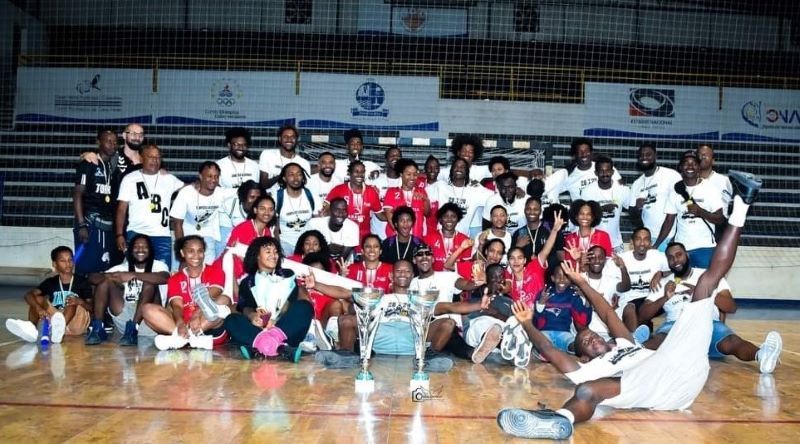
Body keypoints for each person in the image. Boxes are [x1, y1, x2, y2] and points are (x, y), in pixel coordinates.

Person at [496, 170, 782, 440]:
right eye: (586, 341)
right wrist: (526, 323)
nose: (592, 337)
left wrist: (579, 280)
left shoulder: (625, 344)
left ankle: (743, 204)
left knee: (706, 283)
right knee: (587, 390)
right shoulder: (591, 368)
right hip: (652, 389)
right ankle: (560, 420)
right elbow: (546, 348)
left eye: (590, 335)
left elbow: (606, 311)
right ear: (583, 355)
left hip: (679, 368)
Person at [639, 241, 781, 371]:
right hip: (675, 324)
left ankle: (762, 355)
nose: (675, 260)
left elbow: (731, 307)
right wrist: (664, 297)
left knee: (730, 342)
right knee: (660, 340)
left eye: (679, 255)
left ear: (687, 255)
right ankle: (630, 354)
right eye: (671, 257)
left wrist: (704, 292)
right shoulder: (662, 282)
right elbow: (643, 315)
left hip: (707, 323)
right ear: (667, 261)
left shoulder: (709, 277)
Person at [222, 237, 315, 362]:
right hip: (258, 330)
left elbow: (289, 302)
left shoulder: (287, 275)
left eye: (276, 252)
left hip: (284, 330)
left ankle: (260, 349)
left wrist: (275, 321)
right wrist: (253, 316)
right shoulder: (247, 282)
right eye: (268, 251)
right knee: (231, 319)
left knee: (304, 307)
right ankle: (280, 350)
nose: (273, 255)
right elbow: (244, 307)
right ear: (257, 256)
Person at [141, 236, 233, 351]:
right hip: (183, 326)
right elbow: (177, 305)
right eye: (191, 251)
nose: (196, 255)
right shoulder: (175, 279)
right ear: (182, 253)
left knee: (223, 301)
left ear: (204, 253)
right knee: (147, 309)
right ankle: (186, 337)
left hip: (209, 326)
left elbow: (214, 294)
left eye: (200, 251)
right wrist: (180, 324)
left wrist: (196, 315)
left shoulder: (216, 271)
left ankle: (181, 339)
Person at [409, 244, 489, 362]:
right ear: (414, 260)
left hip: (451, 327)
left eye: (428, 254)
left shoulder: (447, 276)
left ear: (433, 258)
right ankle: (471, 352)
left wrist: (478, 282)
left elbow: (465, 284)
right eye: (420, 254)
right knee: (447, 320)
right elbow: (442, 308)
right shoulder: (413, 283)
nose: (424, 257)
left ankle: (471, 353)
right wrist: (478, 305)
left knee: (451, 328)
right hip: (425, 329)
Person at [87, 234, 169, 345]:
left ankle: (133, 329)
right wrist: (114, 278)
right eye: (136, 246)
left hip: (150, 321)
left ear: (150, 250)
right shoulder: (122, 268)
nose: (140, 249)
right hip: (125, 322)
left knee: (150, 283)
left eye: (145, 246)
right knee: (105, 282)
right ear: (130, 250)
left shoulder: (159, 265)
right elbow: (92, 278)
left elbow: (165, 278)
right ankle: (98, 329)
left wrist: (132, 275)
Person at [115, 143, 185, 268]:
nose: (155, 160)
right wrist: (119, 234)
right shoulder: (130, 179)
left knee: (162, 274)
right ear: (142, 158)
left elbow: (187, 189)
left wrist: (199, 184)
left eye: (158, 157)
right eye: (151, 157)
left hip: (162, 236)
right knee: (136, 274)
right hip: (136, 232)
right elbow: (121, 209)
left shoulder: (169, 178)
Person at [5, 246, 92, 345]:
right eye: (63, 261)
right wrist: (38, 308)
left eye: (70, 260)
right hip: (56, 323)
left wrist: (80, 301)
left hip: (77, 323)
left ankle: (60, 328)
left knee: (71, 301)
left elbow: (92, 308)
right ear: (55, 264)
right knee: (36, 299)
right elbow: (28, 295)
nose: (68, 264)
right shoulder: (50, 282)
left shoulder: (82, 281)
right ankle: (32, 330)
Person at [654, 152, 725, 269]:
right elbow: (669, 220)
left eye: (694, 164)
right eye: (686, 163)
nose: (690, 166)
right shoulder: (675, 191)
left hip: (705, 247)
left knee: (705, 283)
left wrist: (701, 212)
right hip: (682, 249)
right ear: (681, 167)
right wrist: (656, 244)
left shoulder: (710, 189)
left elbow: (720, 219)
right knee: (682, 284)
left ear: (699, 167)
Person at [171, 161, 236, 265]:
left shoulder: (221, 192)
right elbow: (177, 224)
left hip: (207, 238)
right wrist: (181, 249)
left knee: (208, 272)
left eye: (216, 176)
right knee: (178, 273)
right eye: (209, 176)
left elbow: (244, 190)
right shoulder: (187, 192)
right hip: (185, 237)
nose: (213, 180)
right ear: (200, 176)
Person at [73, 127, 118, 275]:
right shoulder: (88, 164)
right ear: (98, 142)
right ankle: (79, 295)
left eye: (115, 142)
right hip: (89, 222)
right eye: (108, 142)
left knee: (103, 265)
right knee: (84, 264)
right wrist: (81, 224)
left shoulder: (112, 166)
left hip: (106, 224)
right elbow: (78, 194)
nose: (112, 145)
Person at [506, 209, 565, 308]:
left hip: (540, 314)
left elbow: (546, 250)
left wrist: (554, 230)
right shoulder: (507, 275)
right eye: (512, 258)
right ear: (508, 262)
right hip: (519, 316)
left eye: (520, 258)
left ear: (525, 260)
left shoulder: (534, 267)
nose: (516, 261)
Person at [627, 143, 681, 249]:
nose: (644, 157)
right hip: (647, 238)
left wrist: (657, 244)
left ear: (655, 156)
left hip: (668, 237)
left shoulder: (671, 175)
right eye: (641, 155)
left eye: (648, 154)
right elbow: (632, 214)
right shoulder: (637, 183)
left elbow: (675, 211)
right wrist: (637, 208)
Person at [617, 227, 669, 331]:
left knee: (643, 311)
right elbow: (618, 286)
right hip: (630, 299)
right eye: (638, 239)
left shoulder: (657, 256)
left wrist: (660, 273)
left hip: (652, 298)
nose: (642, 243)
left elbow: (675, 268)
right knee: (630, 308)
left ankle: (635, 340)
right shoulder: (622, 258)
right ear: (632, 242)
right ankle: (637, 339)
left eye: (646, 239)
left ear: (650, 242)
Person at [427, 156, 492, 236]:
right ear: (451, 170)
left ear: (466, 172)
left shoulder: (475, 191)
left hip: (463, 240)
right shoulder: (441, 186)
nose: (458, 169)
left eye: (462, 167)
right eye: (456, 167)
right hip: (441, 237)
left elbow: (494, 198)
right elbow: (422, 194)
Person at [580, 155, 631, 253]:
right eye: (601, 171)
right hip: (593, 242)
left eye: (607, 170)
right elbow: (583, 216)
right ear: (596, 173)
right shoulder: (587, 191)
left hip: (615, 243)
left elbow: (633, 209)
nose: (604, 174)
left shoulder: (623, 190)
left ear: (612, 172)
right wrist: (602, 208)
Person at [325, 160, 384, 243]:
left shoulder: (371, 191)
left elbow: (380, 215)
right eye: (356, 172)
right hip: (342, 237)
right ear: (349, 173)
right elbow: (326, 207)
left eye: (362, 172)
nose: (360, 174)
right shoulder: (338, 189)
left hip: (363, 238)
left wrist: (394, 215)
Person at [274, 162, 322, 253]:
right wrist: (279, 249)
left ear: (303, 177)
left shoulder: (312, 196)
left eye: (299, 174)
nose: (296, 178)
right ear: (284, 178)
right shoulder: (277, 197)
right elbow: (275, 229)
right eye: (291, 175)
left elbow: (317, 225)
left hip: (307, 246)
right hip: (285, 244)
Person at [383, 158, 431, 239]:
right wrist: (403, 237)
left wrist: (426, 200)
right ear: (401, 174)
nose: (412, 177)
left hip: (416, 238)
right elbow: (390, 217)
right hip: (396, 238)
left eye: (415, 174)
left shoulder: (421, 192)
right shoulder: (391, 192)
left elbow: (427, 213)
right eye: (408, 174)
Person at [512, 196, 564, 263]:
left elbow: (560, 255)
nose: (532, 212)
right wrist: (518, 246)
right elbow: (511, 258)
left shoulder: (552, 228)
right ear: (524, 211)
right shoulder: (519, 233)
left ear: (540, 212)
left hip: (549, 271)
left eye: (535, 209)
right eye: (528, 209)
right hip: (526, 271)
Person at [563, 199, 612, 270]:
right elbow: (568, 265)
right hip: (577, 277)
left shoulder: (603, 236)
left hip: (598, 277)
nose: (585, 217)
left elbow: (608, 261)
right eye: (581, 214)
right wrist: (579, 261)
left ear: (593, 217)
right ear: (576, 216)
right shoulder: (569, 239)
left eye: (589, 214)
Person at [259, 124, 311, 190]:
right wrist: (282, 175)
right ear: (280, 139)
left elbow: (304, 188)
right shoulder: (268, 155)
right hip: (271, 198)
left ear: (296, 140)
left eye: (292, 137)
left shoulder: (304, 163)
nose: (289, 139)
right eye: (285, 137)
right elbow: (263, 185)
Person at [307, 197, 360, 262]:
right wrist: (326, 247)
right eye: (337, 210)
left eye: (344, 210)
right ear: (330, 211)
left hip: (344, 265)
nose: (341, 213)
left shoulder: (352, 227)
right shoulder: (315, 224)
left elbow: (342, 259)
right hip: (319, 261)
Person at [424, 203, 472, 272]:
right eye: (445, 216)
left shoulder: (465, 240)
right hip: (434, 278)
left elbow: (465, 267)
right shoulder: (429, 238)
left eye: (453, 216)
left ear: (458, 219)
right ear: (440, 219)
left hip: (457, 279)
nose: (449, 219)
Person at [368, 146, 403, 238]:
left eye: (398, 156)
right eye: (392, 155)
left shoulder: (406, 181)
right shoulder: (376, 181)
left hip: (399, 236)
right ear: (386, 160)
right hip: (378, 234)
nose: (395, 158)